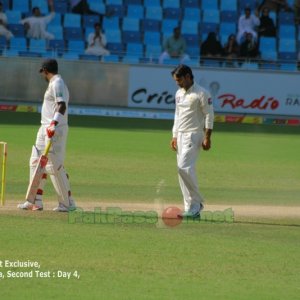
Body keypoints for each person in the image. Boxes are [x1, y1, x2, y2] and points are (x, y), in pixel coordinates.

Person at [18, 59, 76, 212]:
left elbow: (61, 105)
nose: (42, 75)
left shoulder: (57, 83)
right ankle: (34, 201)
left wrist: (53, 124)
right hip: (45, 127)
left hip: (54, 129)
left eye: (42, 72)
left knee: (53, 166)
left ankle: (67, 203)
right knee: (36, 162)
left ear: (45, 70)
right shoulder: (53, 84)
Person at [170, 64, 214, 218]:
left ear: (188, 76)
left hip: (194, 135)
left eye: (179, 80)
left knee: (184, 168)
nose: (178, 83)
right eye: (176, 81)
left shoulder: (202, 93)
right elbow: (177, 115)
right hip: (181, 135)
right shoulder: (178, 93)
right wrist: (174, 135)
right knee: (181, 172)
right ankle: (190, 208)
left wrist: (208, 136)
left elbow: (209, 115)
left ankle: (197, 203)